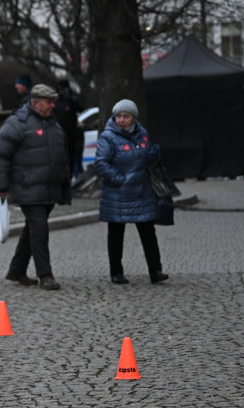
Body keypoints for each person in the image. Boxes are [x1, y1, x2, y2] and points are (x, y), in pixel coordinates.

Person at [0, 83, 71, 290]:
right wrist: (1, 185)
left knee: (33, 229)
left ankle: (16, 270)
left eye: (53, 101)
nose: (53, 105)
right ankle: (45, 274)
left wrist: (64, 182)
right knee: (39, 228)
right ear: (36, 103)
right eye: (48, 102)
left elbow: (61, 153)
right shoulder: (17, 123)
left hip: (48, 187)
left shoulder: (52, 123)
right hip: (28, 187)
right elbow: (0, 155)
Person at [92, 99, 169, 285]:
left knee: (148, 233)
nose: (121, 120)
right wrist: (120, 179)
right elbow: (101, 163)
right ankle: (116, 272)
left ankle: (155, 271)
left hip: (142, 191)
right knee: (116, 234)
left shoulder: (142, 134)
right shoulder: (108, 137)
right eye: (118, 116)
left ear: (133, 117)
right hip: (117, 193)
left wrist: (152, 157)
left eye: (125, 116)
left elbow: (144, 161)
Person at [53, 79, 85, 180]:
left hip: (71, 135)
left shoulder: (71, 101)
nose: (61, 92)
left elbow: (81, 108)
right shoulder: (56, 102)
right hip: (59, 135)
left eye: (63, 89)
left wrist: (71, 98)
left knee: (72, 159)